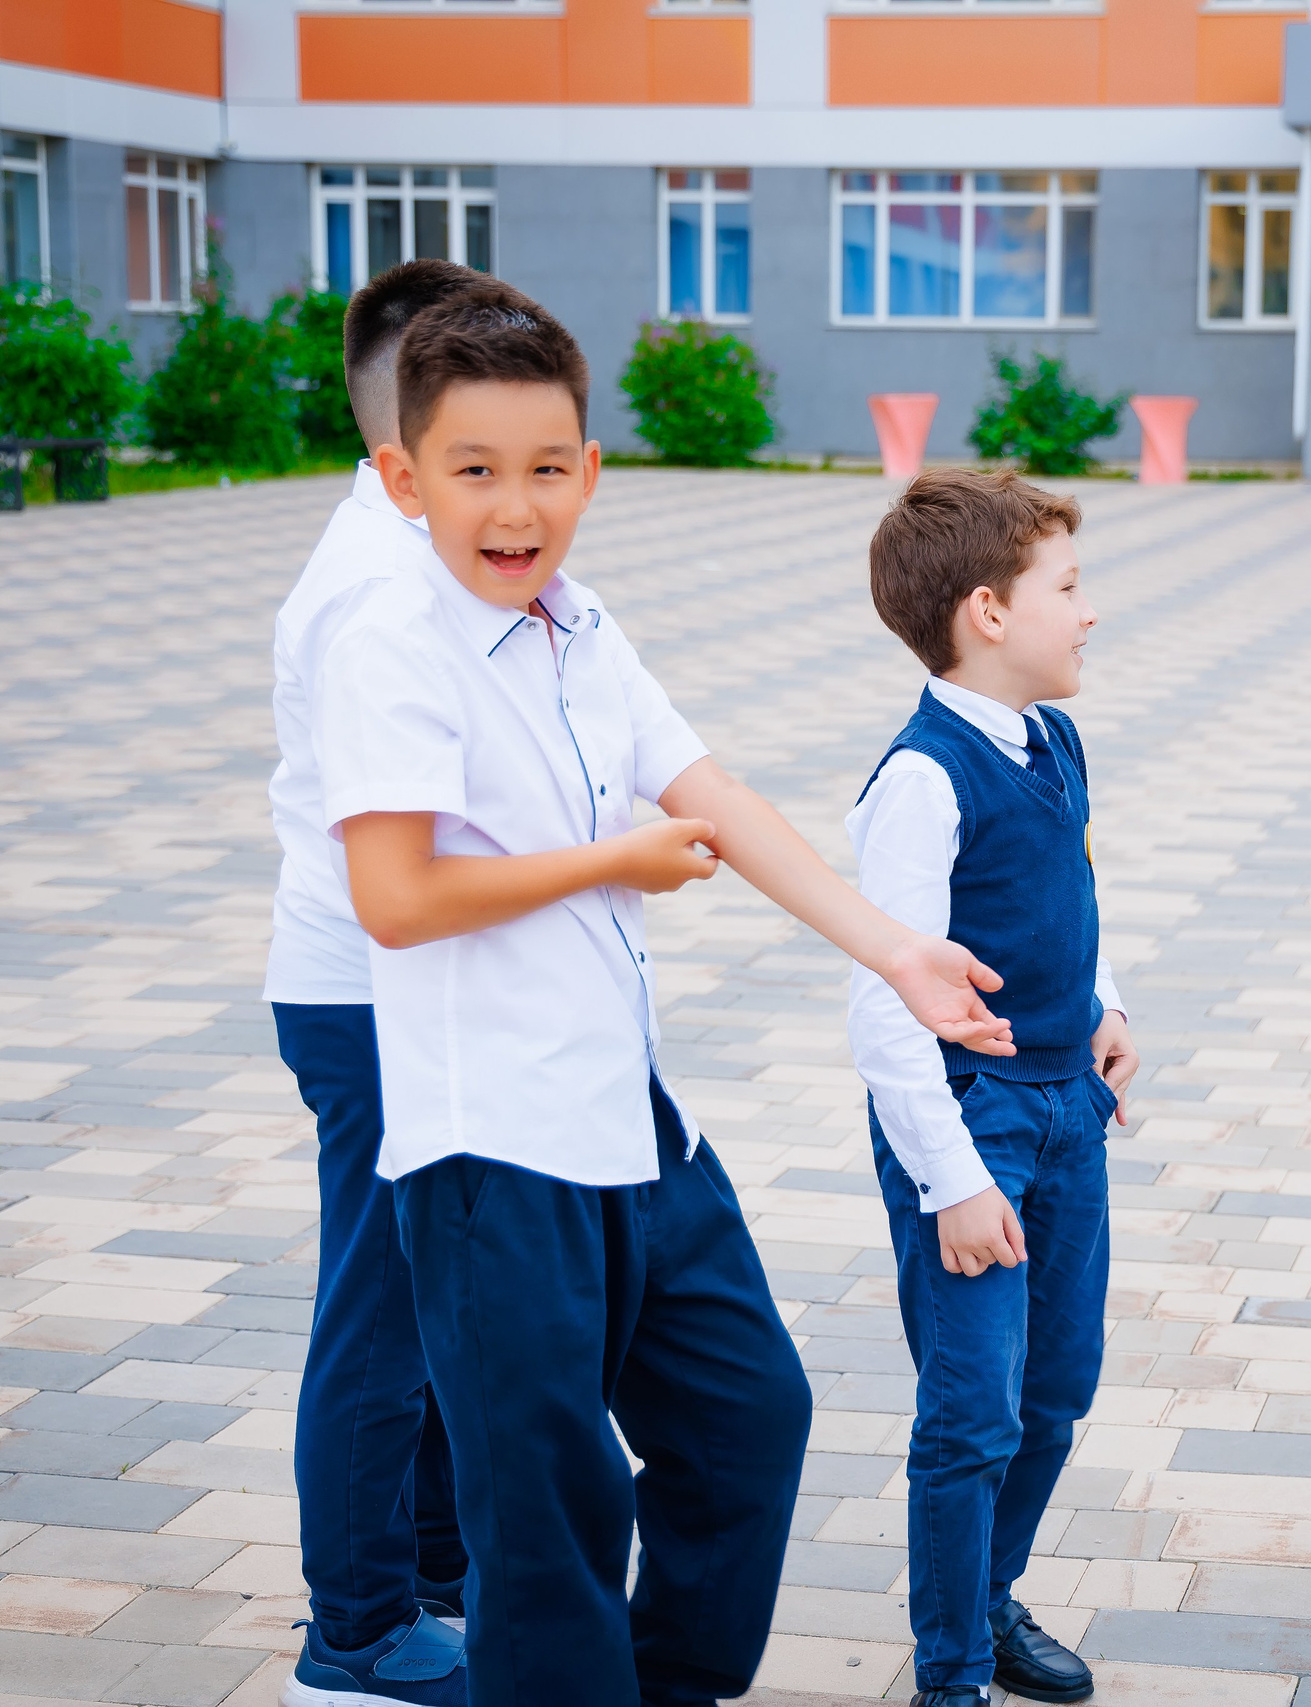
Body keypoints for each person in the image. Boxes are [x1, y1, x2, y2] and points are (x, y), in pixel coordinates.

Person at [321, 280, 1022, 1707]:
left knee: (749, 1418)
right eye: (471, 471)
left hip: (637, 1130)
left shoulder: (585, 625)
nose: (512, 507)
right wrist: (609, 862)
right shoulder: (386, 645)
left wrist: (893, 945)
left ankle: (653, 1684)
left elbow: (716, 796)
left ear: (589, 469)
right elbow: (393, 899)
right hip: (492, 1156)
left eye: (543, 469)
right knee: (550, 1509)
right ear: (405, 478)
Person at [847, 470, 1139, 1707]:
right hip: (973, 1125)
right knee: (972, 1417)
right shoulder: (918, 782)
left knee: (1057, 1391)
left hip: (1071, 1107)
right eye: (1067, 589)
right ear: (987, 611)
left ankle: (987, 1594)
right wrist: (955, 1182)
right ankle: (950, 1677)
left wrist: (1106, 1000)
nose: (1088, 613)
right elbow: (883, 1004)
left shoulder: (1053, 735)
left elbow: (1067, 890)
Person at [267, 258, 481, 1707]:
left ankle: (436, 1576)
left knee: (432, 1285)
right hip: (371, 988)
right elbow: (396, 867)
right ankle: (355, 1628)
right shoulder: (373, 594)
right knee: (381, 1304)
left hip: (410, 984)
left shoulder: (422, 554)